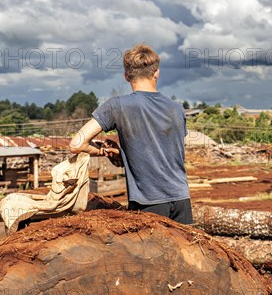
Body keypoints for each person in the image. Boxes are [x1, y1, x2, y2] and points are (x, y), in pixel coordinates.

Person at [69, 44, 192, 224]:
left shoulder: (117, 106)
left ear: (126, 76)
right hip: (181, 200)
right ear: (156, 73)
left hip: (148, 203)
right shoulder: (177, 109)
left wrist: (101, 151)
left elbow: (76, 144)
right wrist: (125, 154)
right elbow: (166, 150)